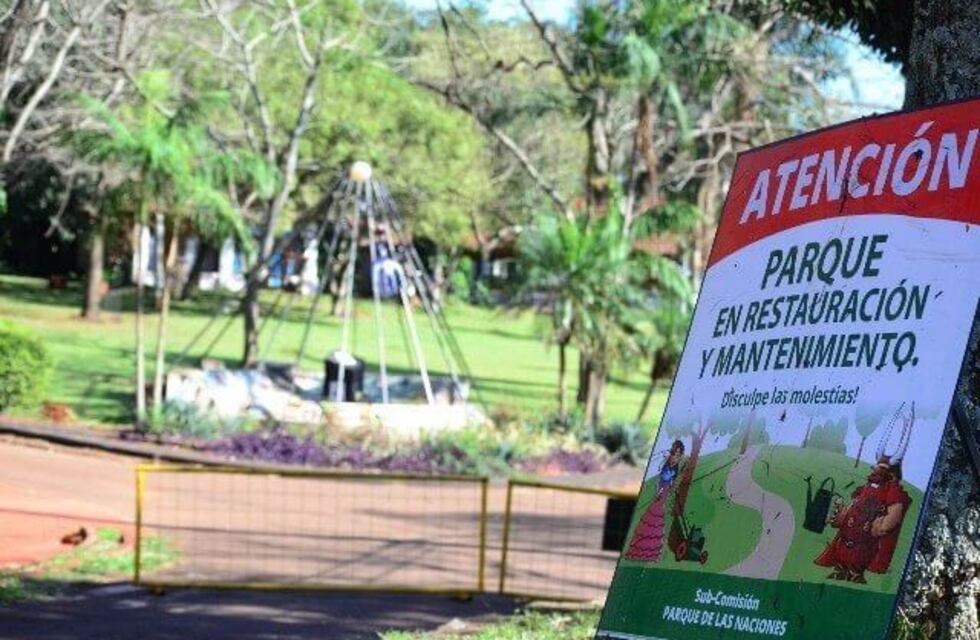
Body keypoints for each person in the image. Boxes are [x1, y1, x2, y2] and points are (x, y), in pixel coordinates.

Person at [624, 440, 686, 562]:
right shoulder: (667, 461)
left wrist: (672, 485)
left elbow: (673, 478)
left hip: (666, 491)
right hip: (662, 490)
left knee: (657, 519)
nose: (676, 455)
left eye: (679, 453)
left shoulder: (677, 464)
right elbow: (662, 477)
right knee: (653, 517)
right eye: (675, 452)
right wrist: (660, 490)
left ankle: (651, 553)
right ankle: (640, 550)